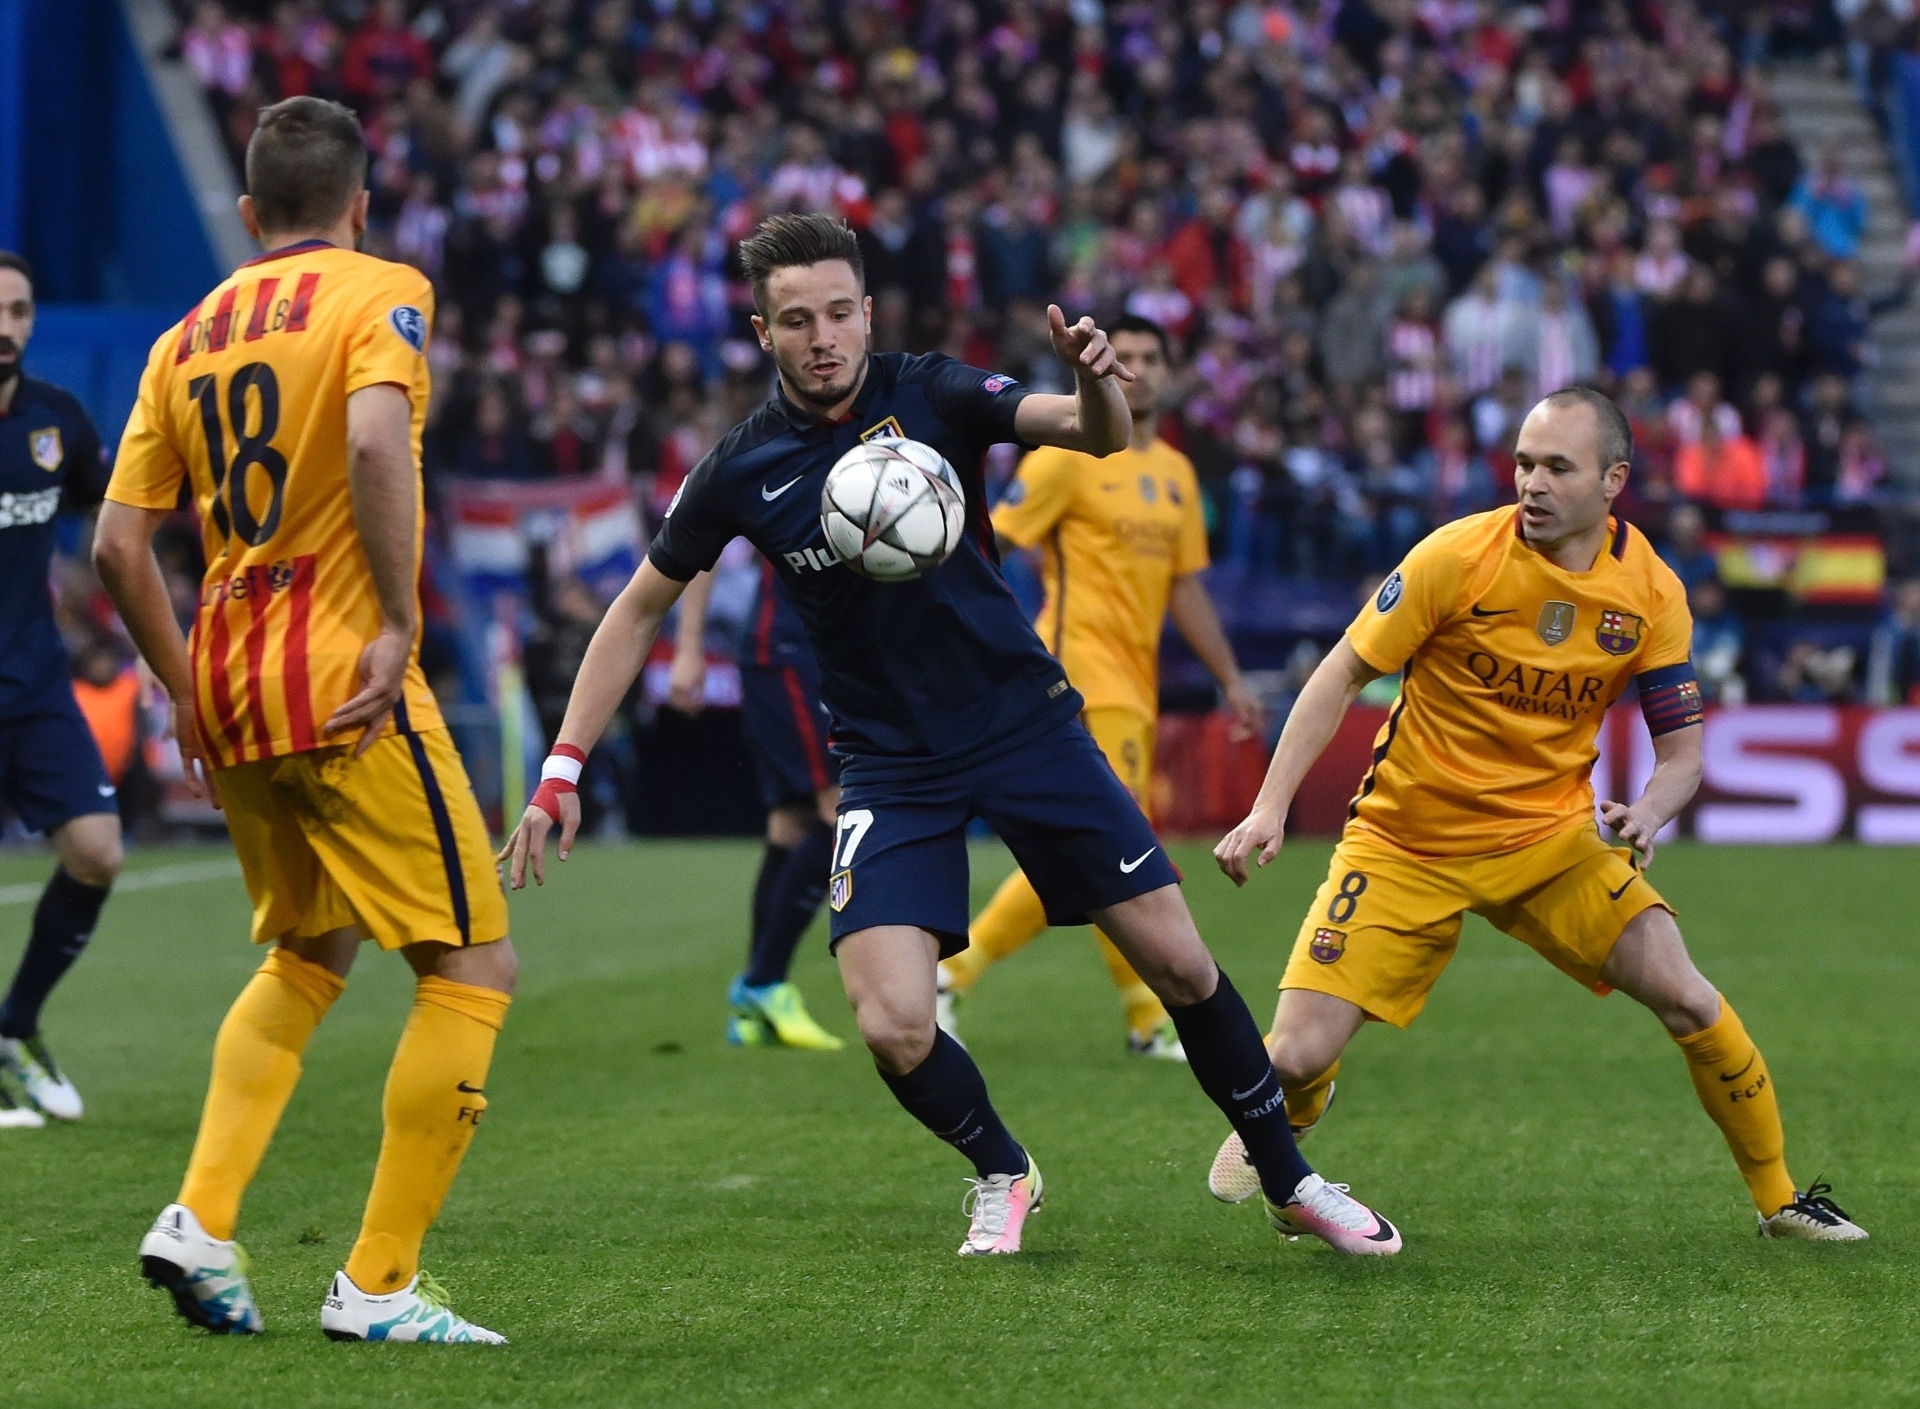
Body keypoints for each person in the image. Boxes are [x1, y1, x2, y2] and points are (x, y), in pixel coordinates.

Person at [500, 212, 1401, 1258]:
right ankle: (1003, 1169)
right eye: (797, 320)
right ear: (762, 332)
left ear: (868, 313)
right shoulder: (743, 468)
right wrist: (561, 764)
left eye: (840, 311)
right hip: (889, 760)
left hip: (1025, 722)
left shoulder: (933, 391)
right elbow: (636, 609)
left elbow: (1094, 431)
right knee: (890, 1020)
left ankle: (1290, 1180)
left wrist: (1099, 374)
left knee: (1183, 965)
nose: (824, 335)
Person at [1207, 386, 1866, 1243]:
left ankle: (1781, 1201)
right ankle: (1302, 1107)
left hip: (1550, 842)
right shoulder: (1455, 556)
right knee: (1292, 1055)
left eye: (1558, 465)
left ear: (1613, 480)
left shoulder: (1652, 592)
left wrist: (1650, 811)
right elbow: (1337, 675)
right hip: (1409, 842)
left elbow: (1683, 751)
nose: (1533, 482)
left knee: (1690, 999)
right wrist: (1270, 805)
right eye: (1524, 462)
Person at [94, 97, 514, 1342]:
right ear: (360, 203)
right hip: (342, 681)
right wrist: (396, 621)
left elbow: (121, 545)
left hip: (226, 681)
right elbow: (379, 444)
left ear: (247, 213)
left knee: (310, 950)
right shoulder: (381, 290)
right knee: (472, 965)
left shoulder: (182, 338)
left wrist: (176, 681)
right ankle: (379, 1283)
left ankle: (202, 1219)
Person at [935, 314, 1263, 1059]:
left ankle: (1143, 1017)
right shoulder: (1065, 457)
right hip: (1076, 677)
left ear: (1171, 372)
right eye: (1129, 353)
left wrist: (1231, 680)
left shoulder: (1176, 473)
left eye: (1152, 356)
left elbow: (1186, 589)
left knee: (1112, 849)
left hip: (1136, 689)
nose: (1137, 366)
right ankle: (955, 973)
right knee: (1110, 847)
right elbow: (992, 539)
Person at [0, 251, 124, 1128]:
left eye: (18, 311)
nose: (5, 328)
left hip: (35, 682)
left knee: (97, 850)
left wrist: (86, 608)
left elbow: (99, 513)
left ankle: (14, 1030)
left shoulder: (57, 421)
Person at [668, 560, 845, 1050]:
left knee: (792, 824)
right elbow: (700, 542)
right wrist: (688, 648)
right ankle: (765, 983)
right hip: (789, 653)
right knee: (842, 812)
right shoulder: (768, 480)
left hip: (828, 651)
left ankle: (754, 1006)